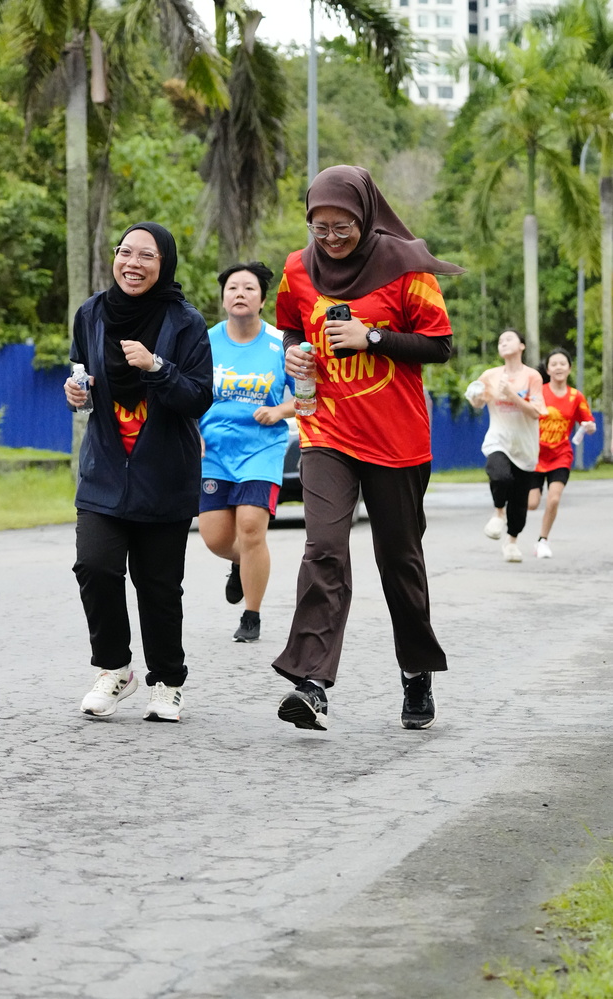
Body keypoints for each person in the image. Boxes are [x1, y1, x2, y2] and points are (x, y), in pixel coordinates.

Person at [271, 163, 464, 733]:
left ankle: (416, 671)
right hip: (326, 430)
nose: (330, 238)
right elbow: (291, 327)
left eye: (343, 226)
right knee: (324, 548)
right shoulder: (297, 268)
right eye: (319, 226)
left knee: (399, 559)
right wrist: (293, 352)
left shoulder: (406, 268)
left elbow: (440, 345)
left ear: (366, 215)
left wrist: (371, 337)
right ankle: (311, 683)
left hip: (396, 439)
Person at [64, 222, 213, 722]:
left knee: (159, 587)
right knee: (94, 567)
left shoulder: (185, 322)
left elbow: (199, 397)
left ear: (163, 264)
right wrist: (76, 394)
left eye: (146, 255)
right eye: (125, 252)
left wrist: (157, 368)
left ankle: (168, 681)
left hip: (164, 475)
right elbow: (82, 376)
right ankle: (114, 668)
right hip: (104, 472)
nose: (132, 263)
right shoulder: (91, 314)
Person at [198, 261, 295, 643]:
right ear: (223, 299)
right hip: (214, 450)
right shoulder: (204, 341)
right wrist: (191, 431)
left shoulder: (279, 343)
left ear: (263, 299)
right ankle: (242, 563)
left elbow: (309, 395)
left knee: (252, 528)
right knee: (215, 538)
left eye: (249, 288)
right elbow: (185, 390)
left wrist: (280, 411)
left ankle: (251, 615)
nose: (240, 293)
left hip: (262, 449)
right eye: (233, 288)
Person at [466, 328, 547, 562]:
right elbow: (478, 402)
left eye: (509, 339)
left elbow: (536, 412)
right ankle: (498, 513)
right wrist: (474, 396)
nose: (503, 342)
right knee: (499, 475)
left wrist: (512, 395)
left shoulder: (532, 376)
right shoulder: (490, 375)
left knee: (520, 501)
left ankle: (512, 541)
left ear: (521, 346)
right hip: (498, 439)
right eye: (500, 340)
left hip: (525, 446)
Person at [527, 348, 596, 558]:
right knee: (532, 504)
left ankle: (543, 540)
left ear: (569, 368)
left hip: (561, 455)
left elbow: (589, 422)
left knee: (554, 499)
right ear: (548, 369)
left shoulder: (576, 396)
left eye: (562, 364)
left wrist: (589, 427)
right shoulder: (538, 392)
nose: (558, 367)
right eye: (554, 364)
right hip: (535, 455)